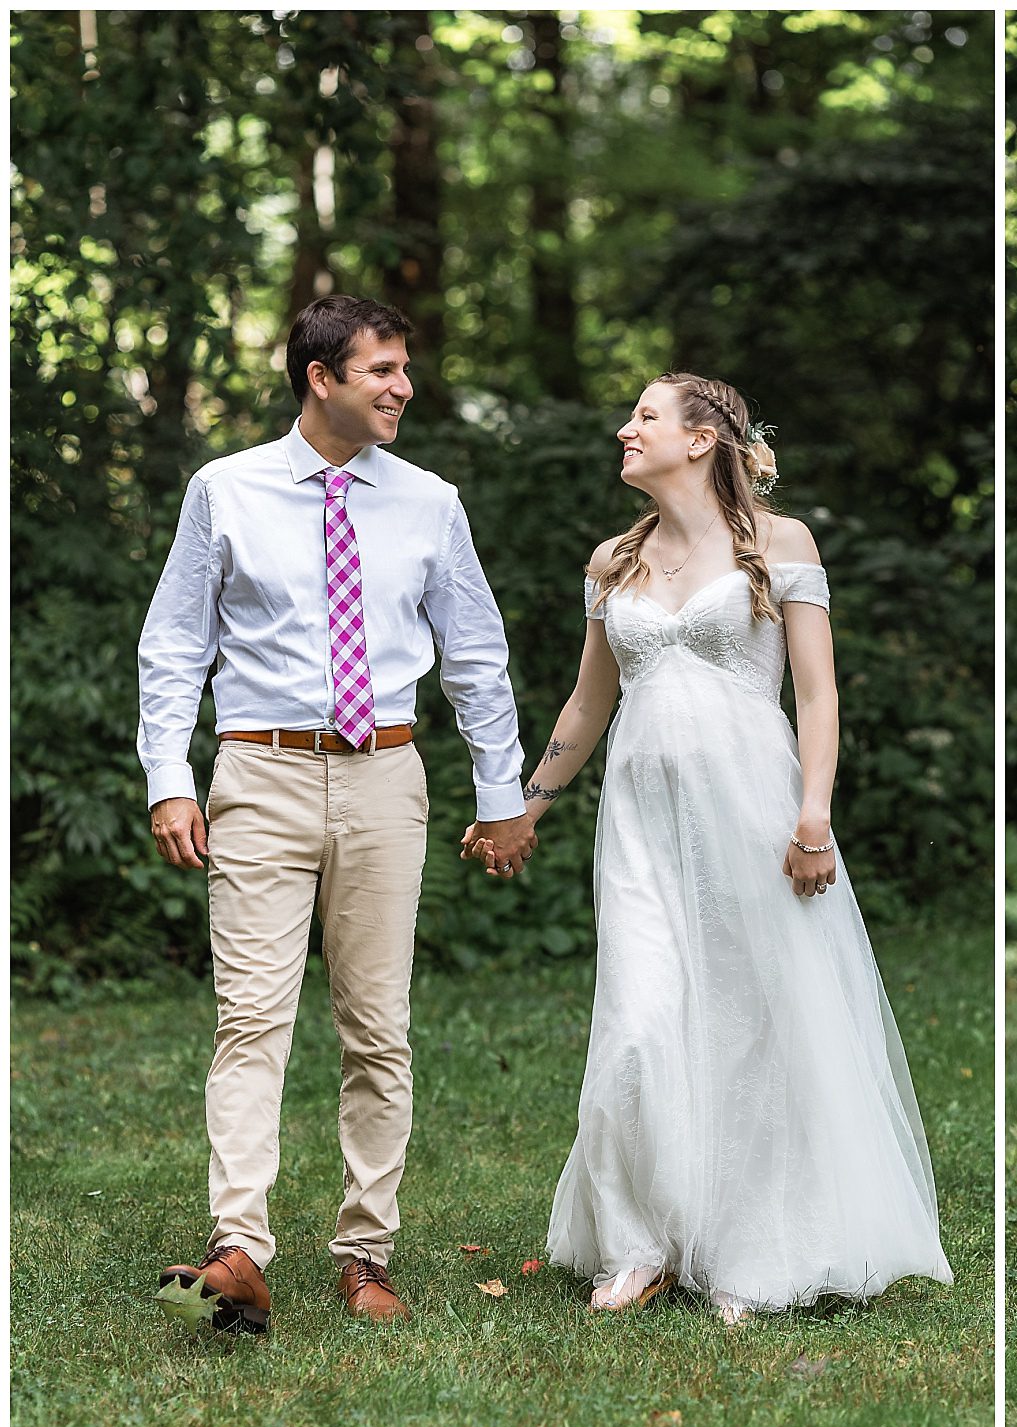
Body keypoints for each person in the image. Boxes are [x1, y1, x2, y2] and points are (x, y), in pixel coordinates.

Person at [480, 371, 951, 1323]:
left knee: (751, 1022)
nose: (624, 428)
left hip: (756, 809)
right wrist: (526, 803)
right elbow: (588, 701)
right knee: (639, 1020)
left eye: (644, 417)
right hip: (642, 820)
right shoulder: (614, 559)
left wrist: (813, 815)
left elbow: (816, 694)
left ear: (700, 440)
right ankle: (641, 1240)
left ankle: (750, 1246)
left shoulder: (780, 545)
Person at [140, 294, 536, 1334]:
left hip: (384, 780)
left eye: (403, 368)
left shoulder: (429, 502)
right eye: (382, 370)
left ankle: (366, 1253)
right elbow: (175, 643)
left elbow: (478, 659)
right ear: (322, 378)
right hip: (258, 775)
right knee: (250, 1019)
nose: (403, 387)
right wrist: (167, 777)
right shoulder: (225, 490)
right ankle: (237, 1252)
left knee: (377, 1028)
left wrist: (503, 798)